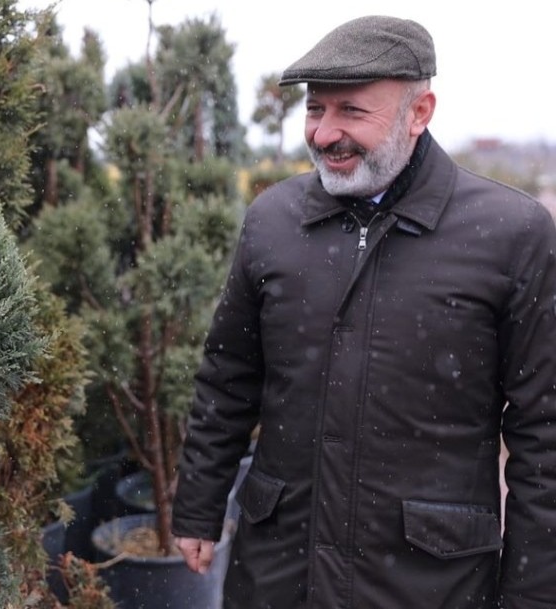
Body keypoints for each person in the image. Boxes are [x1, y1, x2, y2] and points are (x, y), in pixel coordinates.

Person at [171, 14, 556, 609]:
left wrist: (533, 591)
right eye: (315, 109)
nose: (325, 134)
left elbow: (543, 433)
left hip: (429, 581)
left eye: (351, 111)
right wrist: (198, 505)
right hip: (278, 571)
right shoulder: (272, 221)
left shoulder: (511, 234)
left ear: (419, 112)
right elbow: (227, 378)